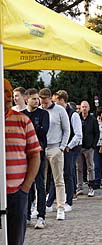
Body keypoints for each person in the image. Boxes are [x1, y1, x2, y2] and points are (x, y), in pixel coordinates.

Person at [4, 79, 41, 244]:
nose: (8, 96)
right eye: (3, 91)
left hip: (16, 193)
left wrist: (25, 187)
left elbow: (35, 156)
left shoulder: (23, 121)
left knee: (15, 239)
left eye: (9, 92)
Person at [46, 90, 82, 212]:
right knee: (55, 175)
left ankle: (69, 201)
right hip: (59, 146)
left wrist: (67, 146)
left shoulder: (73, 115)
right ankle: (49, 201)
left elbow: (78, 134)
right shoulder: (56, 112)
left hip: (70, 148)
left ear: (62, 100)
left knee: (68, 173)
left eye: (56, 101)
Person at [39, 88, 70, 220]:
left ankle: (60, 207)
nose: (44, 104)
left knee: (58, 179)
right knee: (40, 180)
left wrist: (62, 147)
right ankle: (39, 208)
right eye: (42, 102)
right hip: (41, 148)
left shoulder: (60, 110)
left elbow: (66, 129)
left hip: (55, 147)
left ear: (50, 98)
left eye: (46, 101)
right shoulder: (39, 110)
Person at [23, 88, 50, 229]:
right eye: (33, 98)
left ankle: (41, 215)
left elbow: (43, 130)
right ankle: (26, 215)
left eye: (37, 98)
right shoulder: (22, 115)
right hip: (24, 154)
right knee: (26, 185)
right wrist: (34, 128)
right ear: (26, 99)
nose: (36, 101)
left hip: (38, 153)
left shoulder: (43, 114)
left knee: (40, 184)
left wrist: (30, 129)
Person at [76, 101, 99, 197]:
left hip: (89, 147)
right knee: (79, 168)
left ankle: (91, 186)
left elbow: (97, 133)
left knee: (90, 167)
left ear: (88, 108)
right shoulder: (77, 118)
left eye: (86, 107)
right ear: (80, 108)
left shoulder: (93, 119)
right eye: (83, 107)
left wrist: (93, 145)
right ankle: (80, 187)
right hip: (79, 146)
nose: (84, 108)